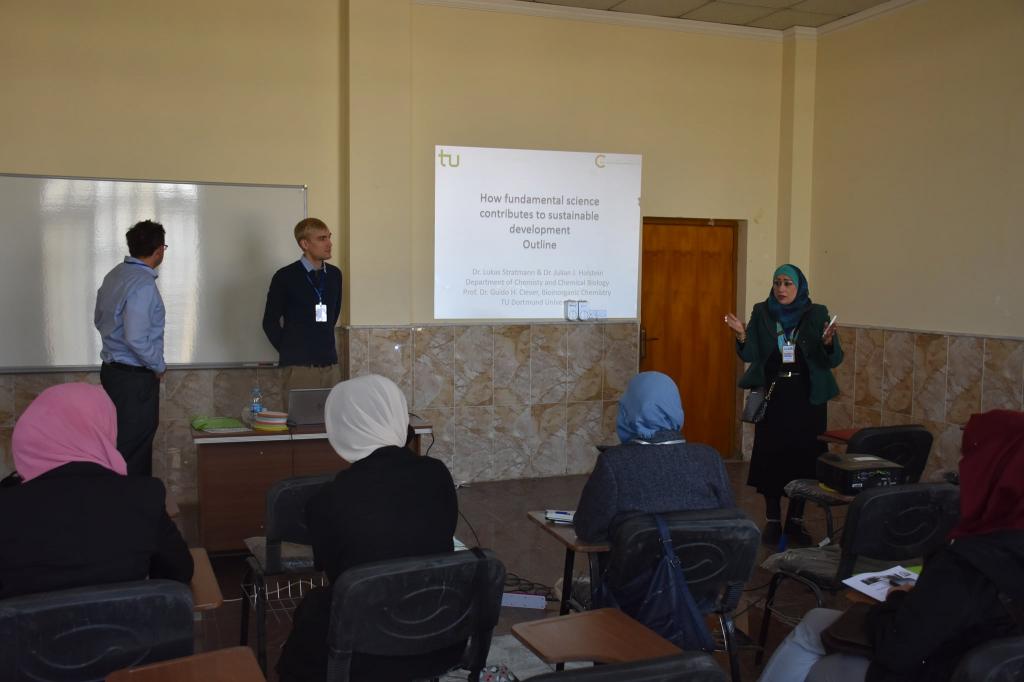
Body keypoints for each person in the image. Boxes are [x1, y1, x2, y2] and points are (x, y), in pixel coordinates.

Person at [758, 409, 1024, 682]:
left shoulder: (967, 564)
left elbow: (896, 648)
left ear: (987, 471)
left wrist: (896, 599)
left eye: (968, 458)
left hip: (934, 669)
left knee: (820, 646)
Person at [276, 375, 460, 682]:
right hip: (441, 637)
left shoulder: (327, 500)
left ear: (340, 428)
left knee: (314, 608)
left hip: (362, 653)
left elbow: (337, 574)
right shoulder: (438, 474)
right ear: (398, 417)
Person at [0, 383, 193, 599]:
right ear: (103, 429)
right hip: (128, 620)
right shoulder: (143, 496)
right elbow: (179, 572)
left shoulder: (6, 507)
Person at [724, 264, 842, 546]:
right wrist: (741, 334)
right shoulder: (762, 311)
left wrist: (828, 343)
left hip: (807, 397)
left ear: (799, 287)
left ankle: (796, 519)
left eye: (788, 283)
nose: (781, 288)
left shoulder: (817, 313)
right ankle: (774, 519)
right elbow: (751, 353)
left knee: (804, 456)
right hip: (774, 393)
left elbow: (833, 359)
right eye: (777, 282)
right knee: (771, 456)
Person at [575, 371, 736, 542]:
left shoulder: (614, 463)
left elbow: (587, 528)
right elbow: (729, 520)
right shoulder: (709, 458)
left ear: (628, 410)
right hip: (706, 557)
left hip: (636, 560)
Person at [94, 219, 168, 476]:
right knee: (134, 450)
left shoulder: (115, 274)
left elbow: (99, 319)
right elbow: (136, 337)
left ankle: (117, 498)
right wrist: (158, 365)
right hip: (134, 380)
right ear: (159, 250)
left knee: (119, 443)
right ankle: (131, 500)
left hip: (112, 372)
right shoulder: (143, 284)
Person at [262, 217, 343, 394]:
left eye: (329, 237)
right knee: (300, 413)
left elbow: (333, 314)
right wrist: (290, 350)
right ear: (305, 244)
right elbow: (269, 321)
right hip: (298, 368)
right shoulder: (285, 276)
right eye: (322, 239)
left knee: (332, 412)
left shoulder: (335, 275)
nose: (329, 243)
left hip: (330, 365)